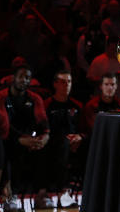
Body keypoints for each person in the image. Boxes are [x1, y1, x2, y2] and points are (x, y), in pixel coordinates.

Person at [0, 65, 53, 207]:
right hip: (8, 138)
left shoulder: (35, 98)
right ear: (13, 78)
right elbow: (3, 125)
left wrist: (45, 136)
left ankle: (41, 195)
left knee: (47, 146)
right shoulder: (1, 97)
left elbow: (42, 119)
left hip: (30, 138)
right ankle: (10, 196)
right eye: (21, 76)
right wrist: (20, 139)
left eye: (28, 77)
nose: (24, 80)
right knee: (7, 148)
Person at [43, 71, 86, 200]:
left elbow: (84, 128)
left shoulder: (77, 105)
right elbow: (44, 129)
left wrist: (80, 137)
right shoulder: (47, 105)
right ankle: (63, 190)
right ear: (55, 84)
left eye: (69, 81)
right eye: (63, 82)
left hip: (75, 142)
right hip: (54, 143)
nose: (66, 85)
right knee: (63, 144)